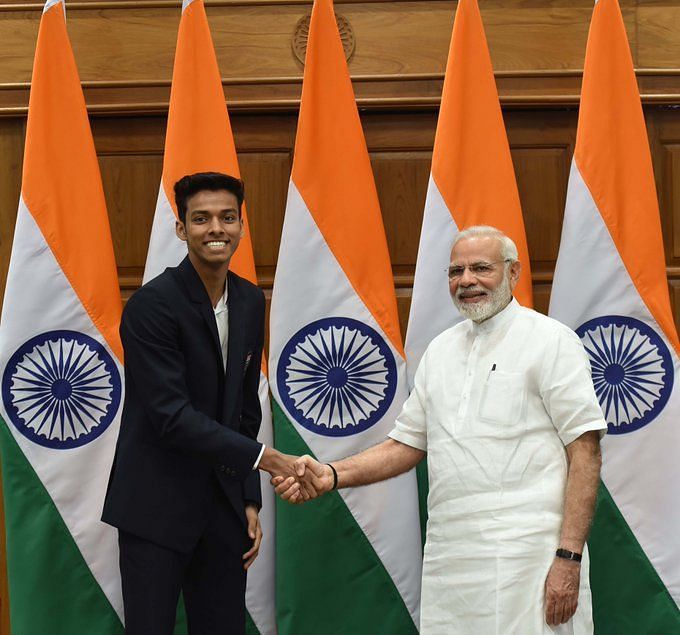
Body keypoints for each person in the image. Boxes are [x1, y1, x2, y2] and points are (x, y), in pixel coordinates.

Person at [275, 225, 606, 634]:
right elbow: (405, 445)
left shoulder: (552, 341)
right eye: (456, 271)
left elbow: (585, 451)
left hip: (529, 557)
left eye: (481, 268)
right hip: (450, 562)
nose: (466, 281)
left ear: (514, 273)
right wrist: (332, 474)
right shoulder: (440, 350)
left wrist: (569, 558)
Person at [103, 172, 301, 635]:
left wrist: (249, 498)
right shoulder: (150, 306)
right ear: (181, 228)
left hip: (222, 508)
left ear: (241, 225)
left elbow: (245, 411)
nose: (217, 228)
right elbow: (171, 418)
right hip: (155, 507)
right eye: (202, 218)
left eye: (227, 217)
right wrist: (266, 460)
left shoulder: (251, 300)